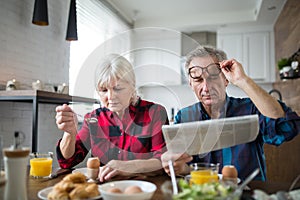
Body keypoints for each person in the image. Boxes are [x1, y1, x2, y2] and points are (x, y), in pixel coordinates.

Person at [161, 45, 300, 181]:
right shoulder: (184, 118)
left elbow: (286, 127)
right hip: (203, 192)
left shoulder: (250, 109)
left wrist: (242, 80)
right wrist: (178, 167)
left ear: (226, 79)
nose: (206, 87)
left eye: (213, 77)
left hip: (246, 193)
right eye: (198, 80)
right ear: (191, 84)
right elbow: (185, 167)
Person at [55, 54, 168, 182]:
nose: (110, 97)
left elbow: (163, 162)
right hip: (104, 190)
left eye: (118, 88)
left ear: (132, 87)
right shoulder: (93, 119)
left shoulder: (155, 112)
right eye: (103, 90)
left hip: (143, 188)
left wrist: (126, 167)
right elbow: (67, 162)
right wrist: (69, 133)